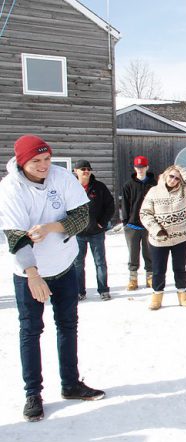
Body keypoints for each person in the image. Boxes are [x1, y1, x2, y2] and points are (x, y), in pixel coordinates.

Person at [0, 135, 105, 422]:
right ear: (22, 162)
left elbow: (81, 216)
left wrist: (50, 227)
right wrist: (33, 275)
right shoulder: (10, 189)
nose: (44, 165)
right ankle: (33, 393)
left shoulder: (61, 177)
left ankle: (70, 383)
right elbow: (15, 236)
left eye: (47, 158)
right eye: (36, 161)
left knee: (68, 325)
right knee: (31, 330)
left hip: (64, 264)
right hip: (29, 272)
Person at [139, 164, 186, 310]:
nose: (173, 180)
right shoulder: (154, 191)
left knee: (180, 268)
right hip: (159, 239)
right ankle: (157, 297)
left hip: (180, 238)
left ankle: (183, 296)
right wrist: (156, 230)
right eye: (171, 176)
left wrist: (183, 171)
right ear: (166, 175)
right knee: (158, 270)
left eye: (177, 178)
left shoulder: (183, 191)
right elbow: (145, 213)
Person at [72, 159, 115, 301]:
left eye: (88, 169)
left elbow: (110, 206)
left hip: (96, 232)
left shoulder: (99, 187)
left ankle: (103, 290)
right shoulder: (70, 187)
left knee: (100, 262)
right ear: (75, 171)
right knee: (78, 263)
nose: (86, 171)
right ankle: (79, 291)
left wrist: (102, 222)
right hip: (78, 233)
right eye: (83, 169)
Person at [121, 155, 156, 290]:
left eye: (142, 167)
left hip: (149, 225)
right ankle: (133, 279)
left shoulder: (154, 185)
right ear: (134, 168)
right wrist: (126, 222)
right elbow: (124, 204)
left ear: (147, 167)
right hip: (132, 225)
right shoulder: (128, 185)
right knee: (133, 254)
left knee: (149, 252)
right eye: (138, 167)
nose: (140, 169)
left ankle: (150, 277)